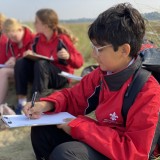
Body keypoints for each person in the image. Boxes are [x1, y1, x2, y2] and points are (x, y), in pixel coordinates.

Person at [23, 3, 160, 160]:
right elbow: (73, 96)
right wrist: (46, 104)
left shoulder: (147, 90)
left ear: (124, 50)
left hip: (124, 152)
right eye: (93, 47)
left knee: (66, 154)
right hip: (104, 139)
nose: (94, 55)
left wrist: (78, 127)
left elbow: (134, 152)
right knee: (43, 130)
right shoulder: (102, 74)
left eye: (99, 49)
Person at [14, 8, 83, 114]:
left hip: (61, 77)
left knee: (41, 64)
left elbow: (79, 62)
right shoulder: (37, 38)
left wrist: (69, 57)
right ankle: (21, 102)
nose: (34, 24)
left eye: (36, 21)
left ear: (45, 25)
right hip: (42, 74)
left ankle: (36, 104)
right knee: (21, 62)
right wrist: (29, 54)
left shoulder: (62, 39)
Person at [0, 18, 34, 106]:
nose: (12, 39)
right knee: (4, 69)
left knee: (4, 72)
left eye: (14, 36)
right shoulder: (11, 43)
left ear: (20, 29)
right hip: (19, 72)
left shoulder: (33, 39)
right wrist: (9, 62)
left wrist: (18, 62)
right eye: (9, 37)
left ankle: (0, 103)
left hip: (32, 72)